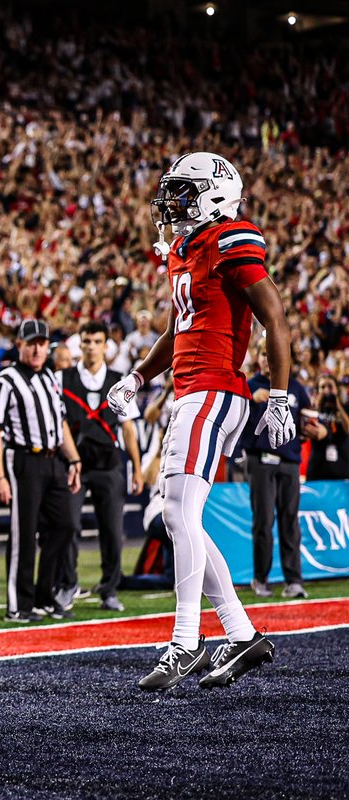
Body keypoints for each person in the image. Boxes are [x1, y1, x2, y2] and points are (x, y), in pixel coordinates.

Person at [108, 152, 292, 691]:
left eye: (185, 192)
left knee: (176, 512)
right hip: (190, 390)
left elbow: (275, 318)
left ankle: (185, 641)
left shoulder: (233, 238)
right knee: (179, 515)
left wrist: (278, 395)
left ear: (214, 194)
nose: (173, 204)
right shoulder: (184, 251)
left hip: (214, 390)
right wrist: (139, 377)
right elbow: (176, 330)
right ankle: (240, 634)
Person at [0, 318, 83, 623]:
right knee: (24, 534)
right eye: (32, 343)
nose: (38, 349)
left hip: (54, 460)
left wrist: (75, 460)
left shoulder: (50, 378)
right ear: (20, 346)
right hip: (24, 460)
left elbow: (61, 423)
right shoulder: (6, 381)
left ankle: (43, 595)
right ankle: (19, 605)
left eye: (42, 343)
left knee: (65, 525)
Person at [57, 321, 144, 613]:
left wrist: (137, 468)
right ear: (79, 344)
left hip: (109, 464)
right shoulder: (62, 378)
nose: (91, 346)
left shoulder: (121, 381)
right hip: (74, 464)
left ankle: (109, 589)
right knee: (67, 525)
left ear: (106, 345)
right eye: (86, 341)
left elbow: (128, 428)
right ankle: (68, 584)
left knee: (111, 529)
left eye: (97, 341)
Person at [243, 343, 310, 600]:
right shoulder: (249, 386)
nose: (269, 359)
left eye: (272, 353)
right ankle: (261, 579)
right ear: (258, 358)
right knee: (263, 521)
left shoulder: (295, 387)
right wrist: (249, 398)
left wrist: (319, 430)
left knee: (290, 521)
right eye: (264, 354)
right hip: (260, 460)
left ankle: (294, 581)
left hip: (290, 461)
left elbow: (308, 420)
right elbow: (232, 421)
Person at [303, 374, 349, 481]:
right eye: (322, 387)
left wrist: (338, 405)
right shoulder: (314, 409)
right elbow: (306, 430)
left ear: (336, 389)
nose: (326, 390)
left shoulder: (346, 407)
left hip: (342, 469)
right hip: (317, 469)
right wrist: (317, 405)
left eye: (330, 386)